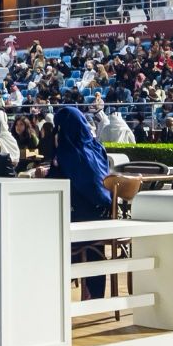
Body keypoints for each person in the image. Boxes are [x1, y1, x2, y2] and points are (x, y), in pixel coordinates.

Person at [48, 106, 115, 299]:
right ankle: (94, 292)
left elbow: (56, 182)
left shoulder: (67, 152)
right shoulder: (97, 147)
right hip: (103, 214)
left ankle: (57, 290)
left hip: (80, 220)